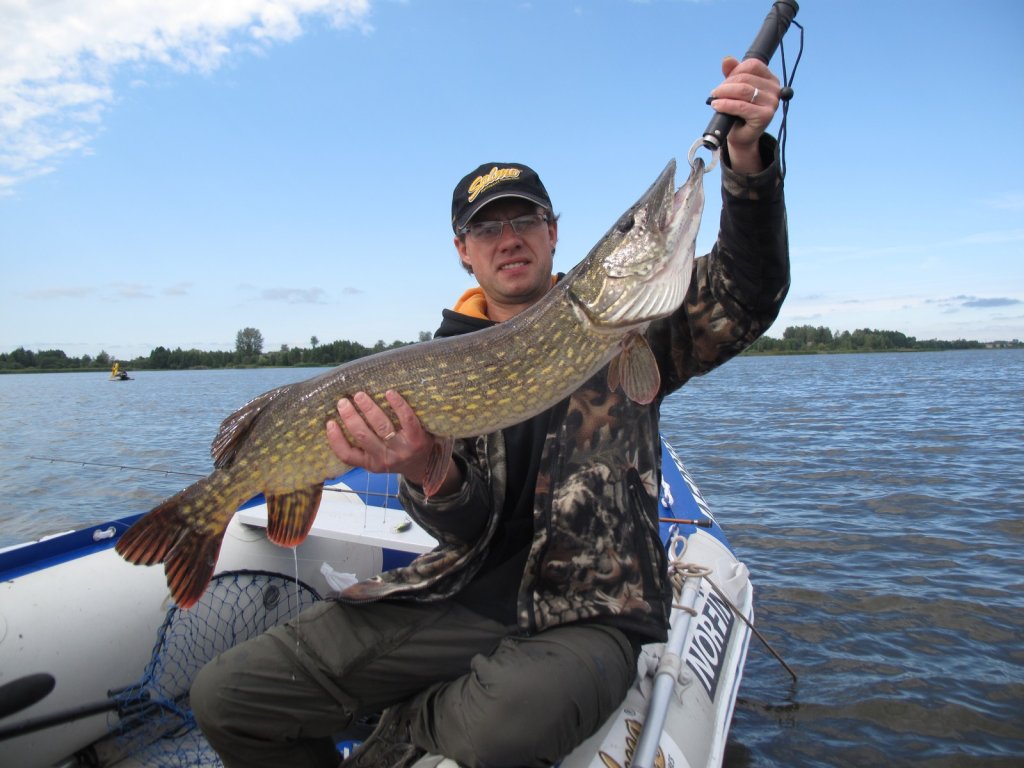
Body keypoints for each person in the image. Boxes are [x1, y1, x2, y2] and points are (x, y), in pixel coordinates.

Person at [191, 54, 790, 768]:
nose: (509, 237)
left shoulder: (642, 329)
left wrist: (746, 163)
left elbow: (750, 291)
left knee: (497, 729)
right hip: (462, 593)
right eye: (487, 228)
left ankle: (413, 722)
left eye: (525, 219)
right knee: (229, 696)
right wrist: (426, 468)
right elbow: (466, 521)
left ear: (555, 233)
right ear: (463, 253)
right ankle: (420, 703)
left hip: (592, 613)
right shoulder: (439, 364)